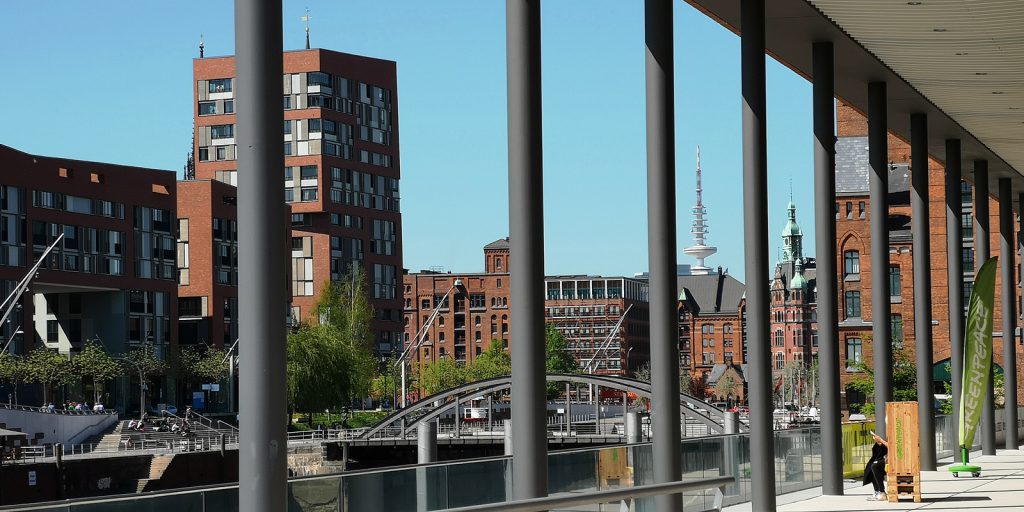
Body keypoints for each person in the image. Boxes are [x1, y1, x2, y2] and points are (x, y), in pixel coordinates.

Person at [863, 430, 889, 501]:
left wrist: (880, 440)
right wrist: (879, 441)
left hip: (894, 460)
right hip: (888, 458)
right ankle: (877, 491)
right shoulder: (890, 431)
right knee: (871, 465)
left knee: (875, 466)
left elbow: (891, 447)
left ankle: (881, 491)